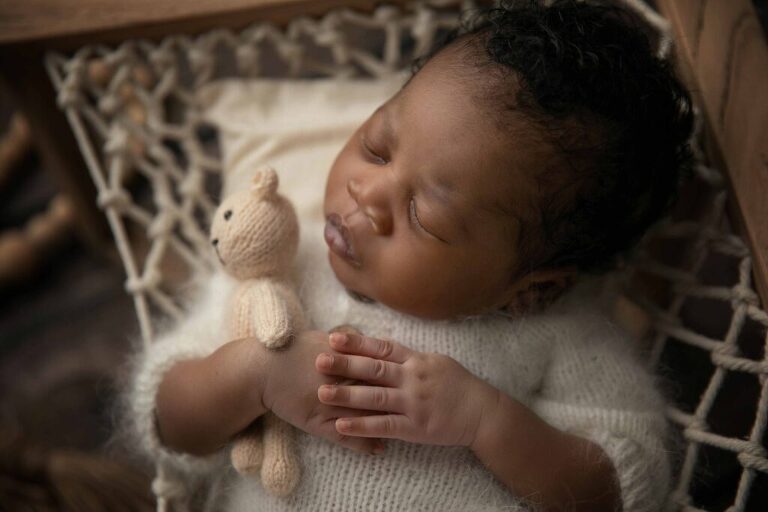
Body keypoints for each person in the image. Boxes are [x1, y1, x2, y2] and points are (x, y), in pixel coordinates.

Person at [128, 1, 693, 511]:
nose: (366, 196)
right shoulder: (282, 265)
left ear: (529, 291)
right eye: (376, 148)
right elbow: (170, 423)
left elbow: (621, 489)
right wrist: (255, 374)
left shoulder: (562, 334)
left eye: (426, 216)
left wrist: (486, 423)